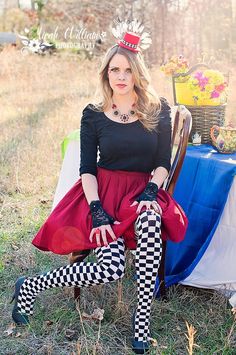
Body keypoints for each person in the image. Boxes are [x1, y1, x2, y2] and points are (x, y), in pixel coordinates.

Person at [11, 25, 172, 354]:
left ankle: (141, 322)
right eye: (115, 69)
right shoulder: (94, 115)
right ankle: (29, 286)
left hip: (145, 191)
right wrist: (97, 211)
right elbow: (87, 169)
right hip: (104, 196)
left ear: (138, 73)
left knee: (151, 222)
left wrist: (151, 193)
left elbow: (162, 162)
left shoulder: (158, 110)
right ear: (107, 73)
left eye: (128, 70)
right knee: (111, 268)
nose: (121, 76)